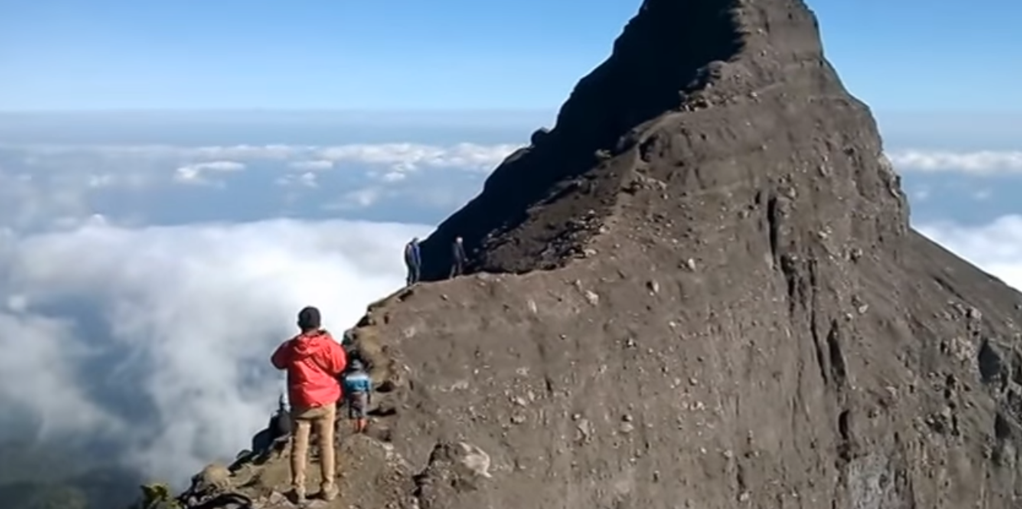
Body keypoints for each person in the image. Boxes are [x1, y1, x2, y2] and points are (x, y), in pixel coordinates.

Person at [270, 306, 347, 503]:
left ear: (299, 324)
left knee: (298, 448)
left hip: (301, 404)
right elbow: (339, 366)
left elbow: (277, 361)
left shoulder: (291, 347)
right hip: (325, 402)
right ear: (319, 323)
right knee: (325, 444)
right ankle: (327, 488)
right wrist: (329, 341)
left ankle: (298, 490)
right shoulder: (328, 345)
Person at [341, 359, 373, 434]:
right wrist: (369, 396)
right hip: (362, 395)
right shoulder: (364, 376)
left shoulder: (347, 377)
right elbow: (368, 387)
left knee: (353, 412)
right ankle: (361, 429)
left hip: (351, 395)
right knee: (362, 412)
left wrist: (345, 396)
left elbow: (345, 388)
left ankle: (355, 429)